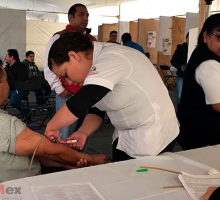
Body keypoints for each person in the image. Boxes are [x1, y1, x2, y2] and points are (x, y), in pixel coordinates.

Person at [0, 50, 110, 186]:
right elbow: (52, 151)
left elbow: (38, 152)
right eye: (5, 80)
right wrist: (92, 160)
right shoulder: (0, 124)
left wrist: (65, 164)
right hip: (30, 188)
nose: (8, 85)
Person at [45, 32, 179, 162]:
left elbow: (81, 102)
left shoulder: (111, 58)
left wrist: (52, 127)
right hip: (125, 136)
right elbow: (97, 109)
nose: (68, 82)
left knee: (140, 180)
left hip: (152, 135)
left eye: (65, 75)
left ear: (73, 56)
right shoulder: (95, 67)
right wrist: (83, 132)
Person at [44, 3, 97, 142]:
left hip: (86, 93)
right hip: (67, 94)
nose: (85, 18)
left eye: (87, 15)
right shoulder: (58, 38)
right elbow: (49, 67)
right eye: (81, 15)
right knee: (63, 134)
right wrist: (60, 89)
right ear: (70, 18)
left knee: (83, 133)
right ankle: (65, 161)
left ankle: (80, 160)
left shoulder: (91, 40)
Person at [177, 13, 220, 151]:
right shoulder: (208, 64)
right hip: (203, 137)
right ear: (206, 36)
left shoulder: (204, 53)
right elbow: (218, 105)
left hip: (198, 132)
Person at [4, 49, 31, 123]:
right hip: (9, 90)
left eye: (6, 55)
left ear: (12, 57)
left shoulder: (21, 67)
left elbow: (20, 82)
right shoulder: (7, 68)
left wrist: (7, 83)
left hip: (20, 90)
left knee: (14, 101)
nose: (4, 57)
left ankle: (27, 112)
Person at [171, 32, 189, 108]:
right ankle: (179, 113)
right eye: (188, 38)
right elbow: (173, 61)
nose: (190, 40)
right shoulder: (180, 49)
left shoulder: (196, 49)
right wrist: (180, 66)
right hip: (181, 75)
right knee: (179, 96)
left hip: (191, 76)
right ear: (186, 38)